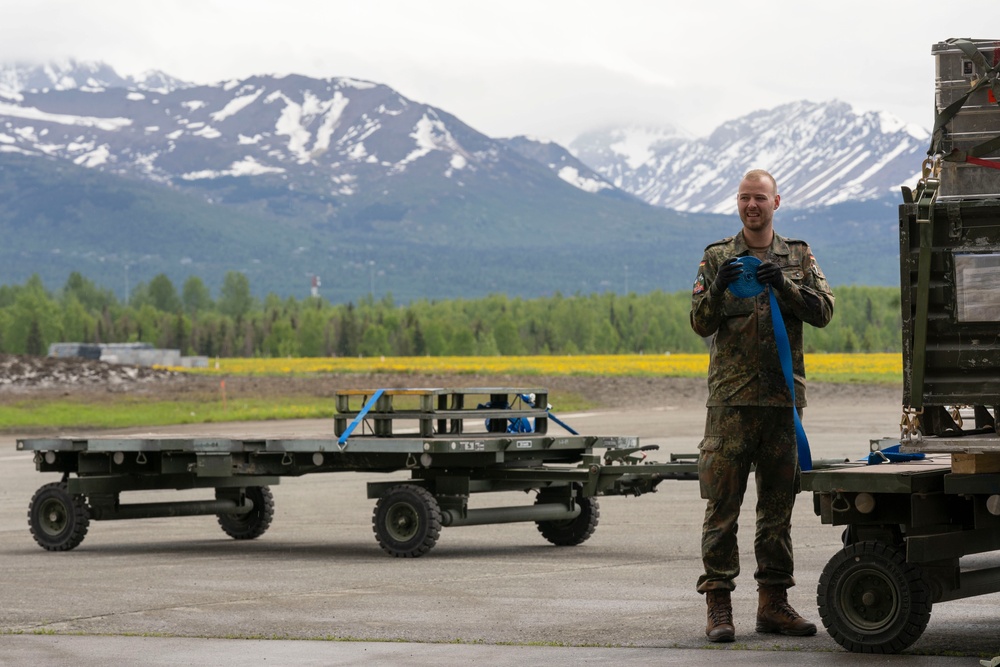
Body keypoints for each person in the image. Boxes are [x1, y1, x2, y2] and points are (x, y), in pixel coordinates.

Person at [689, 169, 834, 643]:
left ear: (777, 202)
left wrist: (786, 286)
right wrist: (717, 289)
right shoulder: (717, 258)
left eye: (760, 198)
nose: (752, 206)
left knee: (777, 510)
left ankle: (773, 605)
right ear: (738, 203)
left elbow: (824, 312)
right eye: (745, 198)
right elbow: (699, 322)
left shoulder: (798, 255)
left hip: (780, 403)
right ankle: (719, 607)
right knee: (721, 508)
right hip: (730, 403)